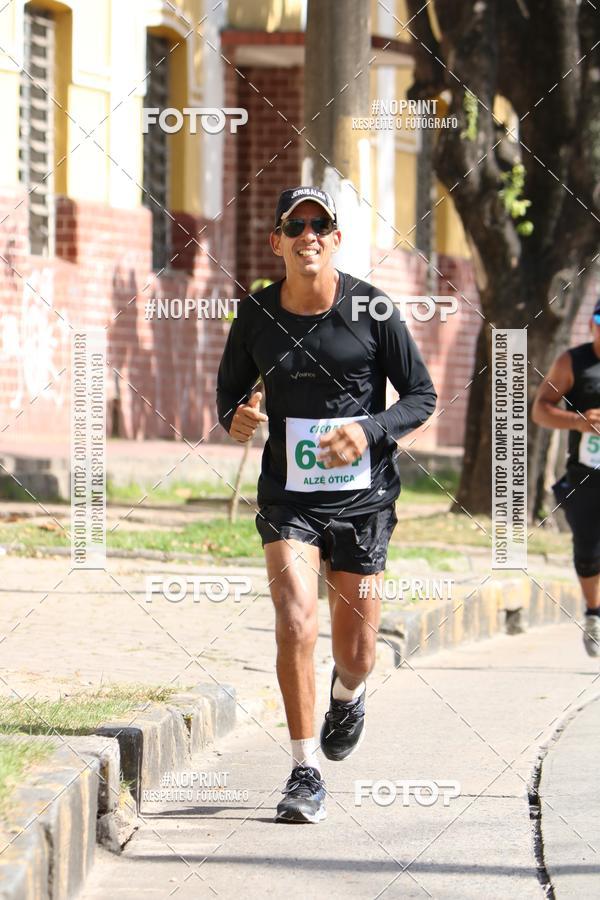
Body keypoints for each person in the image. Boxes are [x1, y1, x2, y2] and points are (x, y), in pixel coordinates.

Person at [216, 186, 437, 823]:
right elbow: (230, 398)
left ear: (335, 239)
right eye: (297, 225)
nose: (308, 235)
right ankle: (304, 768)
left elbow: (421, 396)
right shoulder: (257, 314)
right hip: (289, 497)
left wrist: (367, 430)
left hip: (364, 499)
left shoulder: (371, 307)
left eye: (321, 225)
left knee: (357, 651)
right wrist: (238, 417)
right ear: (278, 241)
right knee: (294, 621)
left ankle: (349, 693)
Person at [532, 298, 600, 657]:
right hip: (587, 475)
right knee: (588, 550)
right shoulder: (573, 362)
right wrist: (577, 421)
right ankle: (593, 613)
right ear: (592, 322)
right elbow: (541, 410)